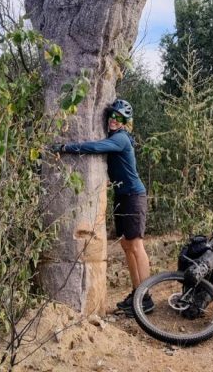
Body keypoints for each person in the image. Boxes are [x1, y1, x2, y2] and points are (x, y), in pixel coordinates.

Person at [55, 98, 153, 316]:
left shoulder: (120, 139)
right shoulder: (115, 136)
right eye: (112, 116)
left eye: (120, 118)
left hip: (134, 196)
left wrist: (66, 147)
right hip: (122, 195)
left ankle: (146, 297)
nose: (114, 121)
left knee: (136, 246)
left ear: (125, 122)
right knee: (127, 246)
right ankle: (137, 294)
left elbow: (96, 147)